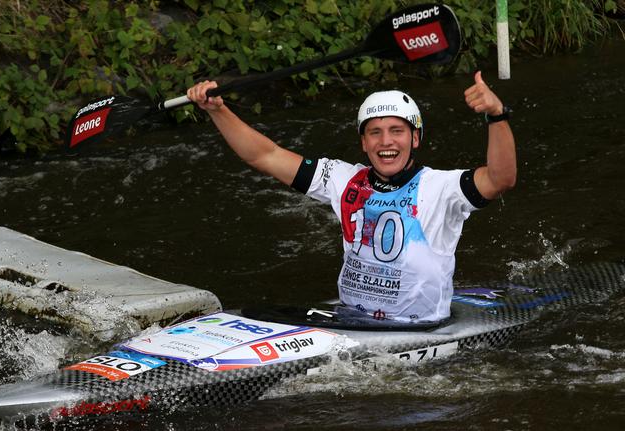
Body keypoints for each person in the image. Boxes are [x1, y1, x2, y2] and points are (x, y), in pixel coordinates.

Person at [187, 71, 516, 326]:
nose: (386, 142)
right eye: (375, 132)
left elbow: (501, 179)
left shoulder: (442, 187)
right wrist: (218, 111)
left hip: (417, 329)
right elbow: (265, 156)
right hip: (351, 320)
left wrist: (496, 115)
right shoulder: (343, 178)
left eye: (397, 131)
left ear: (415, 138)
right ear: (363, 142)